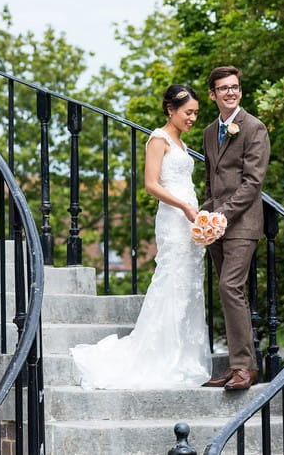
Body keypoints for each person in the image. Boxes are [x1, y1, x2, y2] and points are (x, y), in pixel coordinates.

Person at [70, 84, 212, 390]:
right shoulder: (158, 139)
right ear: (170, 110)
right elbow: (151, 184)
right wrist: (184, 205)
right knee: (172, 279)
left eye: (196, 113)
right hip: (175, 218)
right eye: (188, 112)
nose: (192, 118)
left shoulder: (182, 142)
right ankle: (163, 355)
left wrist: (197, 212)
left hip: (190, 219)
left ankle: (185, 355)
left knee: (189, 284)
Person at [202, 65, 271, 391]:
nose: (231, 92)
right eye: (223, 88)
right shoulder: (208, 132)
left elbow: (252, 183)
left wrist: (223, 215)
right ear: (213, 95)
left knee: (231, 288)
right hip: (215, 225)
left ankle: (245, 368)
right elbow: (210, 181)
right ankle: (236, 366)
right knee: (230, 294)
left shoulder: (254, 127)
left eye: (235, 87)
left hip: (242, 223)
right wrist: (204, 215)